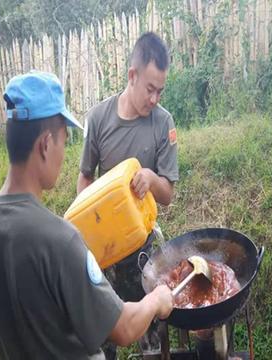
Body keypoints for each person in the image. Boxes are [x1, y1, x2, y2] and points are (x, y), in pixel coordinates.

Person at [0, 71, 173, 360]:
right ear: (46, 144)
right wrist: (156, 300)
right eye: (63, 140)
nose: (64, 153)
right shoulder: (59, 239)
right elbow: (123, 328)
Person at [77, 32, 178, 357]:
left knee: (150, 342)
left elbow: (168, 194)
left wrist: (150, 178)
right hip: (104, 258)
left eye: (160, 91)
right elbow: (85, 177)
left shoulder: (163, 123)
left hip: (143, 257)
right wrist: (88, 229)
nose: (154, 99)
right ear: (132, 75)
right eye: (150, 89)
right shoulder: (99, 118)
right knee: (104, 341)